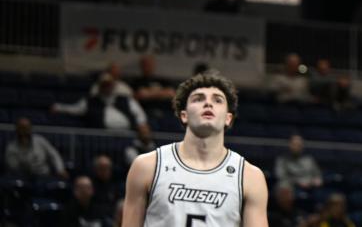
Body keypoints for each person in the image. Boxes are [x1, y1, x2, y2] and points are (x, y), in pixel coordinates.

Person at [121, 71, 268, 226]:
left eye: (217, 100)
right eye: (198, 99)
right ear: (184, 115)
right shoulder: (146, 166)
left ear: (228, 118)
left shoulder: (250, 177)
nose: (208, 103)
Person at [53, 72, 147, 130]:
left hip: (126, 136)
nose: (107, 88)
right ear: (99, 86)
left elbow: (139, 114)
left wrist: (141, 125)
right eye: (104, 85)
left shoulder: (126, 100)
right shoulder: (90, 101)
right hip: (102, 138)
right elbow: (74, 109)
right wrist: (58, 107)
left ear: (113, 86)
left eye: (109, 85)